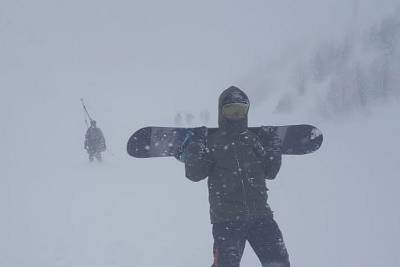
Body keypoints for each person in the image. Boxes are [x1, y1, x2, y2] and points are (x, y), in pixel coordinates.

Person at [176, 86, 290, 267]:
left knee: (279, 263)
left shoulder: (254, 140)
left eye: (240, 110)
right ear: (222, 112)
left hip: (261, 216)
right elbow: (194, 174)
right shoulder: (212, 142)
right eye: (231, 110)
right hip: (227, 221)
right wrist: (195, 148)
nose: (236, 115)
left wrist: (273, 148)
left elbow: (271, 171)